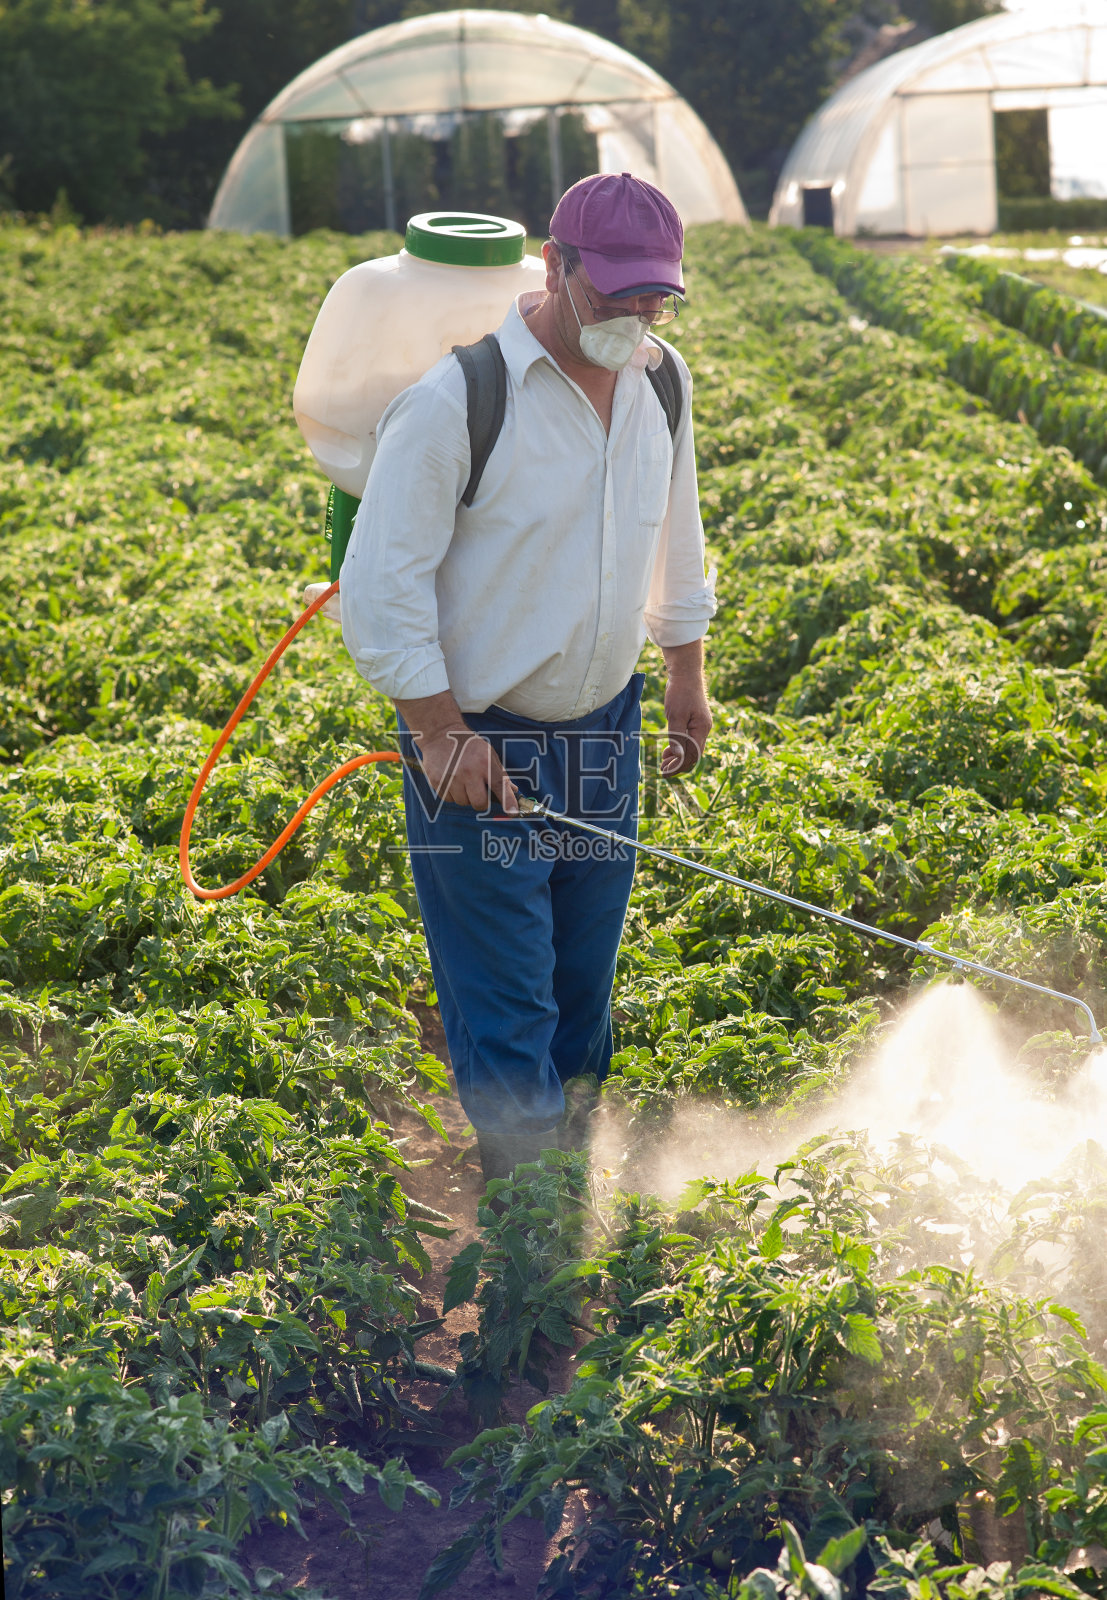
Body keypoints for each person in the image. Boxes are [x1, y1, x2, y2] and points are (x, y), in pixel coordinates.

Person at [340, 172, 716, 1181]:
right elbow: (381, 583)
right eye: (617, 293)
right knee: (510, 1009)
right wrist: (435, 729)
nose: (637, 315)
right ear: (556, 267)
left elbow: (674, 531)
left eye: (656, 296)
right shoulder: (460, 400)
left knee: (582, 997)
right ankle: (527, 1263)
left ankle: (567, 1200)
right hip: (483, 744)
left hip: (605, 729)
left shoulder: (661, 381)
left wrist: (686, 666)